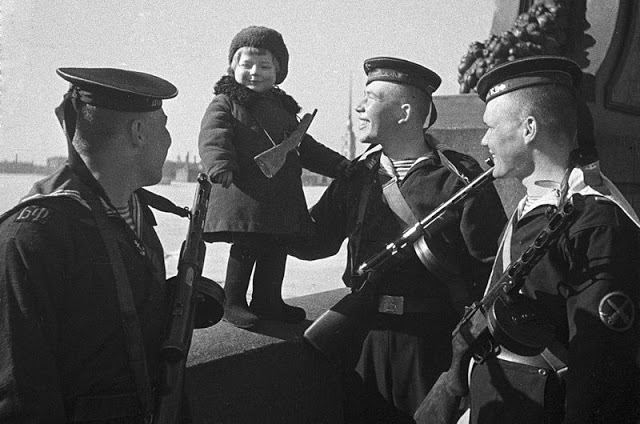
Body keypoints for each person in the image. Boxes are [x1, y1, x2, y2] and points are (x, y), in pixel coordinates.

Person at [289, 57, 507, 423]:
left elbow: (491, 268)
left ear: (404, 112)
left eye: (371, 98)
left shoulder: (458, 177)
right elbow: (316, 242)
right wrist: (268, 200)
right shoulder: (357, 175)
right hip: (364, 338)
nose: (359, 107)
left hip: (432, 343)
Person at [0, 68, 190, 423]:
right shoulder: (32, 237)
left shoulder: (132, 209)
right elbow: (20, 397)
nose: (167, 140)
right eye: (163, 125)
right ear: (138, 132)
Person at [462, 55, 640, 423]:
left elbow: (600, 375)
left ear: (528, 129)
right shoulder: (530, 210)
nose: (483, 139)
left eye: (491, 127)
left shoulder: (595, 223)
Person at [198, 26, 351, 329]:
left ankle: (268, 300)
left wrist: (341, 166)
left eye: (265, 66)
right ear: (232, 66)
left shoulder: (282, 109)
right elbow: (213, 135)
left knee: (276, 248)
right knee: (247, 246)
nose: (254, 72)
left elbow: (304, 146)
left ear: (279, 70)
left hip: (279, 198)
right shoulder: (226, 103)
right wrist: (220, 165)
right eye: (246, 64)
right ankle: (233, 301)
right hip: (246, 193)